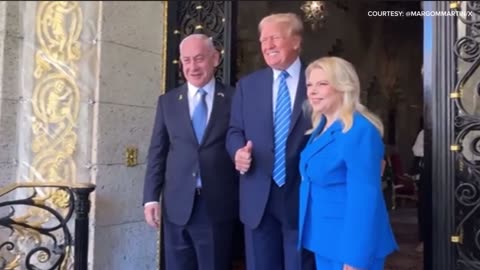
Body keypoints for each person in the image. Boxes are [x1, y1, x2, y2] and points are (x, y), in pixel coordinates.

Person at [226, 13, 315, 270]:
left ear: (296, 41)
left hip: (303, 197)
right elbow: (234, 131)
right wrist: (237, 153)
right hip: (257, 199)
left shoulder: (318, 80)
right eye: (263, 39)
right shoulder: (247, 86)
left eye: (274, 37)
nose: (267, 45)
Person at [143, 33, 238, 270]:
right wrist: (150, 198)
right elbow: (157, 151)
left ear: (215, 58)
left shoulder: (235, 98)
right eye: (186, 60)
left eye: (199, 59)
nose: (192, 67)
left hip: (217, 206)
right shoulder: (168, 102)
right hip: (176, 207)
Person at [298, 56, 398, 270]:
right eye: (309, 85)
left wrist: (355, 258)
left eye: (322, 84)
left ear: (343, 87)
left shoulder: (360, 130)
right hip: (325, 239)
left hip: (350, 246)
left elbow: (364, 198)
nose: (312, 91)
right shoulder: (320, 127)